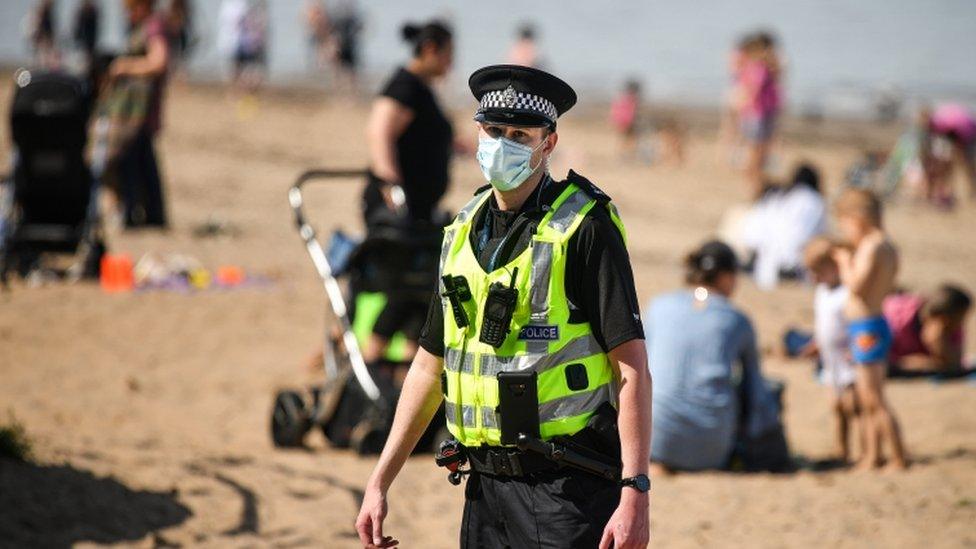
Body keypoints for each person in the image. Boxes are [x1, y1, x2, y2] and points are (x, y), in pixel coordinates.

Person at [355, 65, 652, 548]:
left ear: (548, 143)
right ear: (477, 132)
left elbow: (632, 370)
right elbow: (430, 368)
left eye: (519, 134)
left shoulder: (585, 227)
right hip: (483, 489)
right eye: (494, 131)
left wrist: (635, 490)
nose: (502, 143)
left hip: (567, 490)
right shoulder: (460, 231)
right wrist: (380, 481)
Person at [361, 20, 455, 364]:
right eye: (448, 55)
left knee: (423, 290)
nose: (450, 64)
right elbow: (379, 130)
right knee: (407, 287)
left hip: (419, 209)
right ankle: (370, 353)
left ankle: (407, 366)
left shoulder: (422, 88)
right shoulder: (405, 85)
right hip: (396, 210)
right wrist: (390, 182)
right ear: (430, 49)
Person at [646, 241, 783, 473]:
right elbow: (756, 390)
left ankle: (666, 459)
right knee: (767, 388)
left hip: (653, 439)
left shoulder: (658, 306)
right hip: (711, 447)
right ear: (725, 277)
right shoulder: (736, 319)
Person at [832, 188, 907, 471]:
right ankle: (872, 455)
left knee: (873, 397)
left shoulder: (871, 246)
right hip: (873, 323)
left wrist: (843, 263)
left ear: (857, 219)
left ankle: (898, 456)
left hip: (867, 327)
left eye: (845, 224)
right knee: (868, 396)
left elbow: (856, 285)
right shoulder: (888, 245)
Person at [111, 0, 171, 228]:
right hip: (135, 108)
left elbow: (159, 62)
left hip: (139, 110)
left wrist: (125, 67)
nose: (127, 14)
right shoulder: (147, 25)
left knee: (132, 159)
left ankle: (137, 214)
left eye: (130, 9)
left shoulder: (153, 26)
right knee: (143, 160)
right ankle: (152, 216)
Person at [802, 237, 860, 463]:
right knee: (835, 406)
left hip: (847, 359)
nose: (815, 277)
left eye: (819, 271)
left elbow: (854, 323)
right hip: (830, 360)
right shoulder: (822, 292)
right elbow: (823, 323)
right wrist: (816, 343)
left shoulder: (846, 293)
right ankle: (841, 449)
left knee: (853, 406)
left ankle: (863, 449)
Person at [884, 284, 972, 376]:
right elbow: (877, 358)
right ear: (943, 319)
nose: (960, 324)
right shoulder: (896, 318)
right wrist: (906, 362)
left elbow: (956, 362)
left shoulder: (953, 326)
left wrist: (941, 345)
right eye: (959, 319)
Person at [738, 31, 782, 199]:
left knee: (758, 153)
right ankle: (754, 186)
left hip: (760, 113)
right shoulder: (758, 68)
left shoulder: (755, 67)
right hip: (758, 114)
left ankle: (755, 185)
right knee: (756, 153)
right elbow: (753, 91)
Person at [609, 79, 642, 161]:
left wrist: (614, 120)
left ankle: (622, 156)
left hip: (621, 122)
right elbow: (633, 112)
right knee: (630, 140)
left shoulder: (621, 98)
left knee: (623, 140)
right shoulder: (632, 99)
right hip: (628, 122)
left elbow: (614, 111)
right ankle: (628, 157)